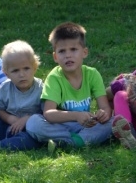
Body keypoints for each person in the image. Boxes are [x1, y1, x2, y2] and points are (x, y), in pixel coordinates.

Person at [25, 22, 112, 154]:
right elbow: (48, 114)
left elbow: (105, 107)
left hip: (86, 125)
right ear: (55, 56)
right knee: (33, 123)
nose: (68, 55)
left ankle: (66, 142)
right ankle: (76, 142)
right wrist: (76, 115)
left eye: (73, 49)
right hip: (60, 125)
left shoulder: (92, 74)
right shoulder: (54, 77)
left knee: (113, 121)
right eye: (62, 51)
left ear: (84, 52)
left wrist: (103, 114)